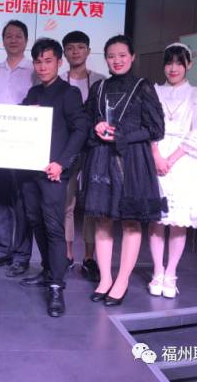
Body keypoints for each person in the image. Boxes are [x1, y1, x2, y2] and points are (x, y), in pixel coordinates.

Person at [83, 35, 166, 306]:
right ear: (105, 59)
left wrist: (122, 135)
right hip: (102, 158)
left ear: (132, 57)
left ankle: (122, 281)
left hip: (133, 161)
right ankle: (105, 278)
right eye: (111, 56)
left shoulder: (143, 86)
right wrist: (96, 125)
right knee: (103, 219)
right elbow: (86, 120)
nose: (116, 60)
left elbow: (156, 129)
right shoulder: (99, 87)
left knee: (131, 221)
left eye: (122, 55)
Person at [18, 38, 89, 317]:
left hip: (53, 173)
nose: (42, 66)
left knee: (54, 227)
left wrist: (61, 163)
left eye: (48, 61)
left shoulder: (69, 93)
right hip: (29, 171)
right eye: (38, 61)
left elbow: (80, 130)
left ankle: (57, 286)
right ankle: (48, 270)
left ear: (59, 62)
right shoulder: (33, 93)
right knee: (35, 221)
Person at [149, 42, 197, 298]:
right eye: (169, 63)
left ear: (188, 65)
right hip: (155, 155)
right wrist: (157, 155)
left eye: (179, 63)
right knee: (156, 220)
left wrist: (171, 159)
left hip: (184, 158)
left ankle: (171, 273)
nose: (173, 68)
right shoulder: (153, 91)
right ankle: (157, 271)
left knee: (179, 221)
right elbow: (148, 126)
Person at [0, 20, 37, 277]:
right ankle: (2, 250)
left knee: (23, 204)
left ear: (26, 40)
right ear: (2, 40)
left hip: (25, 149)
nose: (13, 40)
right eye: (8, 36)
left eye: (18, 36)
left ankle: (22, 256)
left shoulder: (34, 70)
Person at [61, 31, 105, 280]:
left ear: (88, 51)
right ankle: (67, 255)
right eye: (70, 48)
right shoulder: (59, 81)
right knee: (65, 203)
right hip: (67, 149)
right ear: (64, 53)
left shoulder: (100, 81)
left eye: (80, 47)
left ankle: (89, 258)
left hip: (93, 149)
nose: (75, 52)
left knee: (91, 204)